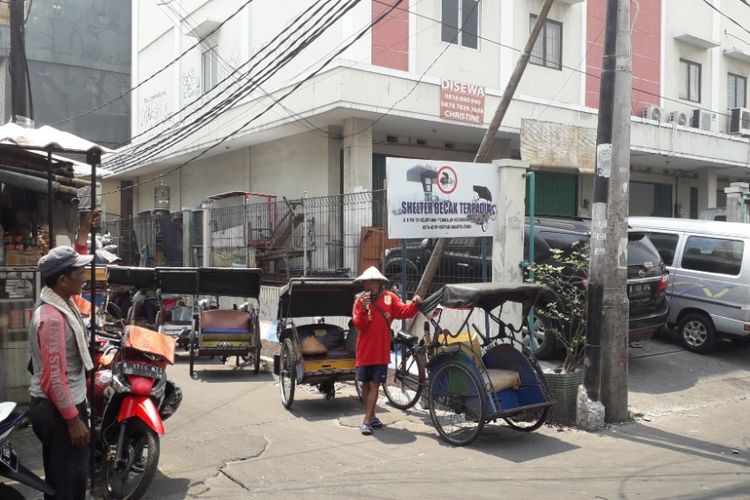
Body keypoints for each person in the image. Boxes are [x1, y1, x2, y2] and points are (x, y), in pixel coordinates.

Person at [28, 246, 95, 500]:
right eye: (80, 272)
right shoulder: (53, 318)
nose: (84, 276)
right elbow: (53, 379)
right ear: (63, 279)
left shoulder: (60, 301)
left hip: (62, 406)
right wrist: (73, 420)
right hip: (58, 411)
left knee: (67, 479)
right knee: (67, 484)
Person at [352, 266, 422, 436]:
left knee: (375, 384)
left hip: (381, 351)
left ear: (379, 282)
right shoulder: (359, 301)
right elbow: (359, 325)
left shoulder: (390, 298)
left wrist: (415, 303)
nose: (368, 285)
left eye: (371, 282)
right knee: (366, 385)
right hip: (364, 350)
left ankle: (366, 420)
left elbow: (405, 311)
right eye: (365, 282)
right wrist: (363, 308)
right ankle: (373, 415)